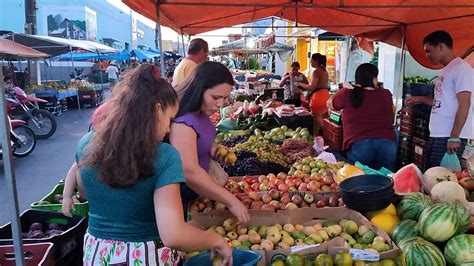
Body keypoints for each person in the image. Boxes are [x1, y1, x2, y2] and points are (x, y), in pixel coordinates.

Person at [64, 64, 232, 265]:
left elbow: (83, 192)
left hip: (98, 254)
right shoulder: (164, 157)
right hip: (145, 255)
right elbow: (173, 235)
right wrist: (216, 240)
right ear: (157, 108)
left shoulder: (87, 143)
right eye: (170, 119)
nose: (170, 128)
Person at [170, 61, 250, 225]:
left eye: (224, 98)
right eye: (216, 97)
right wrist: (231, 201)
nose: (220, 104)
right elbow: (189, 171)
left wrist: (212, 149)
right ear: (199, 89)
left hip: (199, 195)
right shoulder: (183, 122)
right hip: (182, 201)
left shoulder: (199, 112)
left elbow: (197, 140)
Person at [406, 30, 473, 168]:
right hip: (438, 135)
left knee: (442, 182)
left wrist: (454, 137)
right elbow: (442, 103)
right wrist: (422, 99)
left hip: (449, 137)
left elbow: (464, 105)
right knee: (431, 179)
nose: (427, 55)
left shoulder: (461, 69)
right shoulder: (446, 70)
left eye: (429, 51)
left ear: (441, 46)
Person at [327, 63, 397, 171]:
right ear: (374, 79)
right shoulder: (386, 94)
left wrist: (342, 91)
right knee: (386, 181)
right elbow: (392, 112)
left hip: (359, 144)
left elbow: (329, 104)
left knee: (361, 182)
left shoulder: (347, 94)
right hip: (387, 144)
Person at [295, 53, 330, 136]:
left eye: (311, 60)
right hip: (325, 95)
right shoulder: (324, 71)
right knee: (318, 122)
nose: (310, 62)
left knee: (317, 119)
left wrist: (300, 84)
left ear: (316, 61)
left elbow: (312, 87)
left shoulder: (316, 72)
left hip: (318, 97)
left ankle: (329, 135)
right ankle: (317, 139)